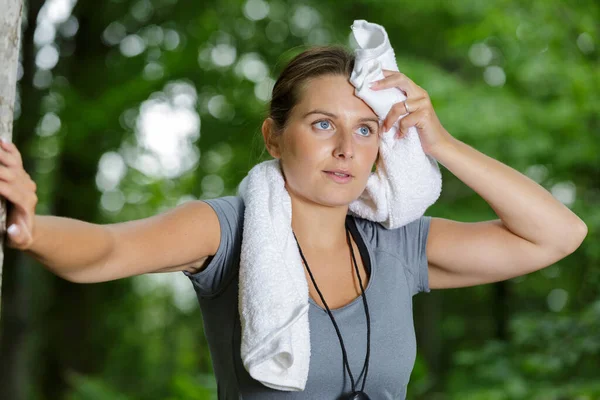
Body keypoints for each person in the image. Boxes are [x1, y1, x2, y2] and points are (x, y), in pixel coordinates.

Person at [2, 45, 587, 399]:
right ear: (274, 136)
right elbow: (105, 250)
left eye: (365, 129)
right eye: (322, 124)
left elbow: (559, 234)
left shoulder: (398, 244)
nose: (347, 150)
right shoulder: (229, 229)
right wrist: (29, 229)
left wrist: (443, 143)